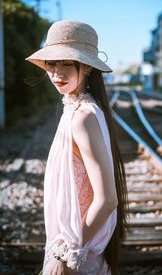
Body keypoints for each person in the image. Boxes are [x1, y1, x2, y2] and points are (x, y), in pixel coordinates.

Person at [26, 20, 128, 275]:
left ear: (88, 68)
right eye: (51, 63)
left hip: (77, 253)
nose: (57, 72)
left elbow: (107, 200)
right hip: (78, 245)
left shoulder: (83, 116)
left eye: (67, 63)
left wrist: (67, 254)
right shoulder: (80, 108)